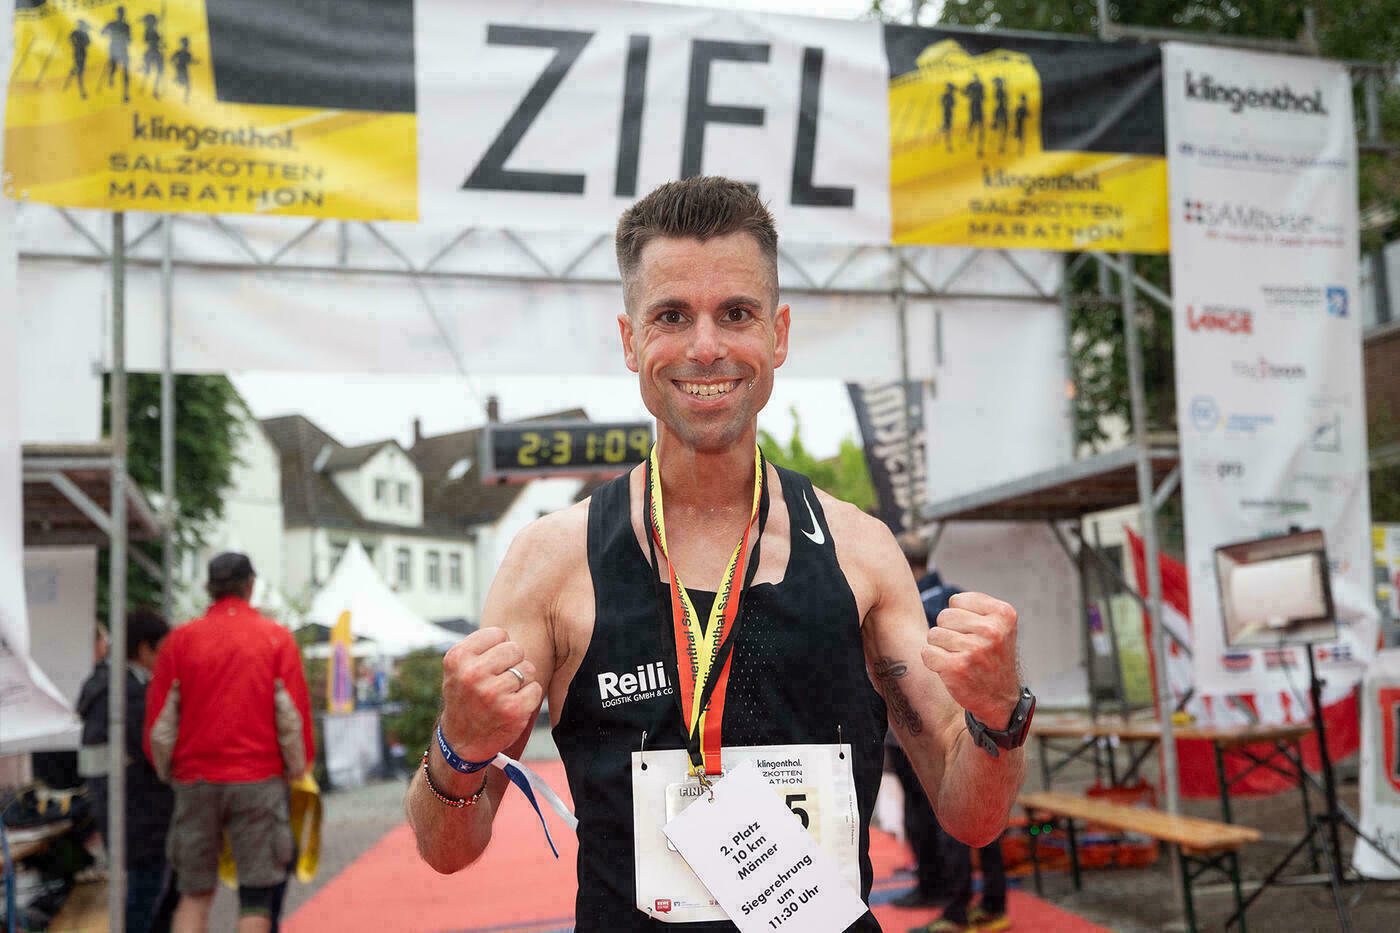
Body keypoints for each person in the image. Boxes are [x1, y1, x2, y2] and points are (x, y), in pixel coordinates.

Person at [404, 176, 1033, 931]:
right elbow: (447, 850)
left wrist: (1000, 715)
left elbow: (972, 818)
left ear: (779, 333)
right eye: (672, 316)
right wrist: (457, 747)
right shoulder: (552, 562)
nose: (706, 348)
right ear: (631, 339)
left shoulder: (860, 551)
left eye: (736, 313)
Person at [144, 553, 314, 933]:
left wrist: (168, 770)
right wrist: (296, 769)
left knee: (193, 895)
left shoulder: (180, 640)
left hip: (195, 778)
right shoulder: (275, 638)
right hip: (258, 778)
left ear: (209, 587)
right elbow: (291, 717)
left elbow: (160, 725)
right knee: (256, 897)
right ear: (250, 586)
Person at [897, 550, 1008, 933]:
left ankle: (956, 911)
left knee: (950, 819)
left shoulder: (918, 610)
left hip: (945, 727)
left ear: (906, 565)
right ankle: (993, 905)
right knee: (986, 816)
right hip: (977, 719)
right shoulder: (956, 599)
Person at [77, 607, 175, 932]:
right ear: (145, 649)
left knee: (149, 899)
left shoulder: (107, 685)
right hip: (139, 815)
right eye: (164, 651)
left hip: (125, 811)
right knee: (145, 903)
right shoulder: (126, 693)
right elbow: (154, 749)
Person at [101, 5, 132, 103]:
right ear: (117, 13)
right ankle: (111, 78)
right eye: (120, 12)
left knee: (126, 72)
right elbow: (102, 32)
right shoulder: (111, 24)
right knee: (114, 68)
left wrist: (124, 37)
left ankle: (125, 94)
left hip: (123, 50)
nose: (121, 14)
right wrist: (112, 34)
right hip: (114, 49)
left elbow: (130, 40)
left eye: (122, 13)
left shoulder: (126, 26)